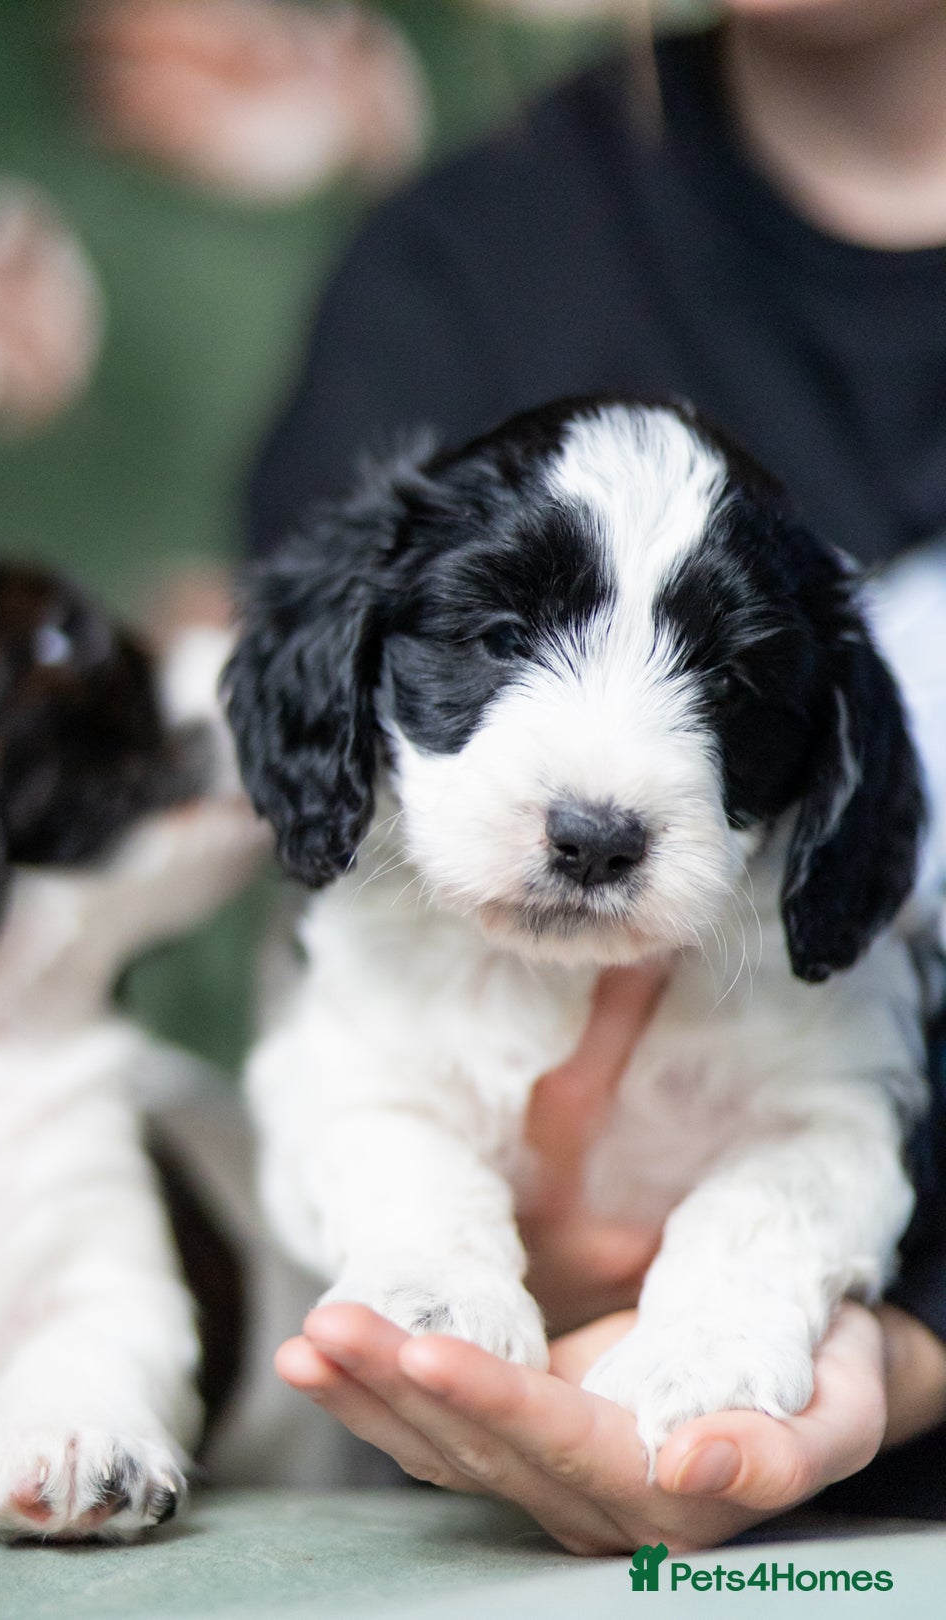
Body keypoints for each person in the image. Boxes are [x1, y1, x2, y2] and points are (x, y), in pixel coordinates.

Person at [247, 0, 946, 1550]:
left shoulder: (817, 914)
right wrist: (441, 1250)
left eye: (726, 681)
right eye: (501, 631)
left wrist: (886, 1344)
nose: (602, 795)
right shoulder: (458, 270)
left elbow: (830, 1134)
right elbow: (335, 1094)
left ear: (828, 766)